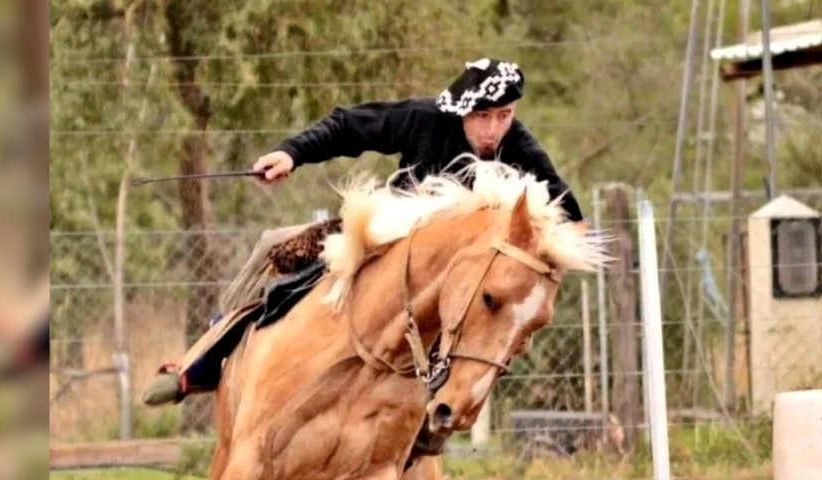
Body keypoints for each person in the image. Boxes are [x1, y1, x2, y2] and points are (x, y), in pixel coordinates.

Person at [141, 57, 584, 406]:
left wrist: (569, 241)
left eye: (504, 116)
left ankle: (442, 407)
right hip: (387, 236)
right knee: (273, 244)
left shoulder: (518, 145)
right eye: (482, 116)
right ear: (462, 110)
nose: (493, 130)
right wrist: (292, 153)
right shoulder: (424, 118)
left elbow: (564, 204)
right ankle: (206, 358)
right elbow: (349, 126)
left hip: (450, 282)